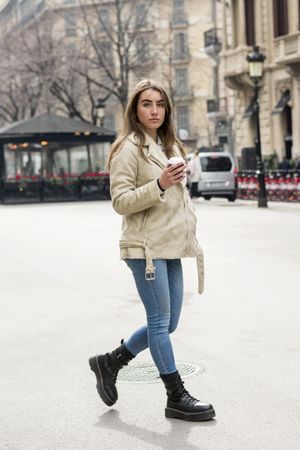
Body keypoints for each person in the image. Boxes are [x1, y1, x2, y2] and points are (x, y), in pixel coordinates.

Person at [88, 79, 215, 422]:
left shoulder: (166, 144)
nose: (155, 110)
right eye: (147, 103)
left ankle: (111, 361)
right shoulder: (127, 147)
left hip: (169, 245)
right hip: (144, 248)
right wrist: (160, 183)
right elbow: (120, 201)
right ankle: (176, 395)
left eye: (160, 103)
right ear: (135, 109)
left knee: (169, 323)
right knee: (159, 323)